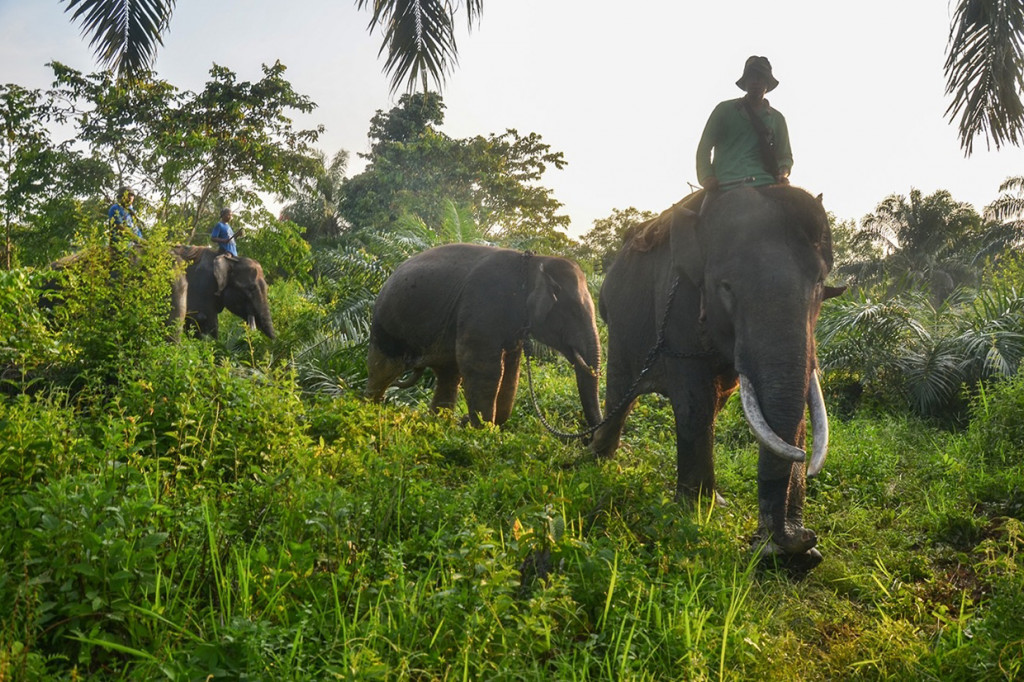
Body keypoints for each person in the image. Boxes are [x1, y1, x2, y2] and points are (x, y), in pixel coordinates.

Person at [696, 55, 793, 193]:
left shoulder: (777, 119)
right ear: (745, 81)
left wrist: (783, 174)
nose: (755, 82)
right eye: (751, 77)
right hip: (725, 184)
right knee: (680, 214)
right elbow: (704, 148)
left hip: (766, 183)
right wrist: (707, 177)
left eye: (760, 78)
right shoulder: (724, 110)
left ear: (767, 84)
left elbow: (785, 156)